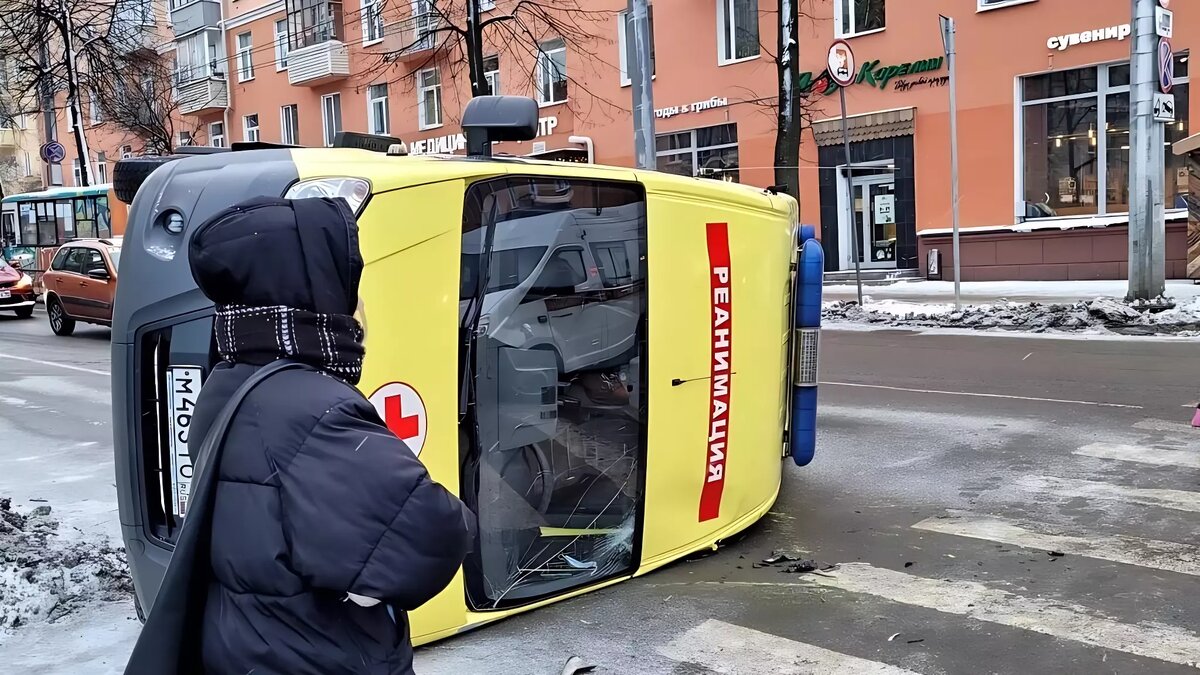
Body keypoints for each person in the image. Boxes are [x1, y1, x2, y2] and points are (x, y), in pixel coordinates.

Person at [184, 196, 473, 674]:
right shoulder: (312, 408)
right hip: (316, 657)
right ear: (312, 292)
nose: (358, 302)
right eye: (349, 284)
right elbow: (429, 535)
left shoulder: (233, 379)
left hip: (255, 647)